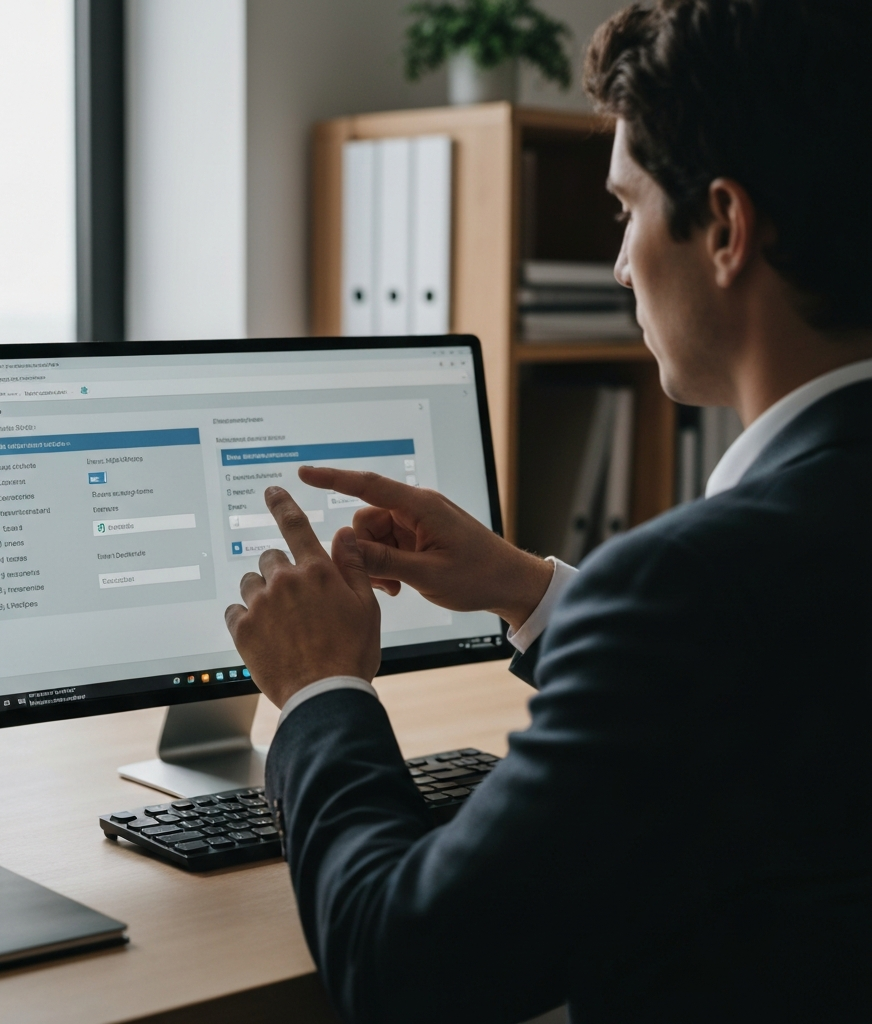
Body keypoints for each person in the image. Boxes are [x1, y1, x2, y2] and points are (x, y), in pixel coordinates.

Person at [224, 1, 872, 1020]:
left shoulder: (691, 587)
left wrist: (319, 693)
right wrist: (526, 588)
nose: (617, 262)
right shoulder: (768, 566)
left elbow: (403, 970)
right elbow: (776, 679)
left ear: (726, 229)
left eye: (623, 209)